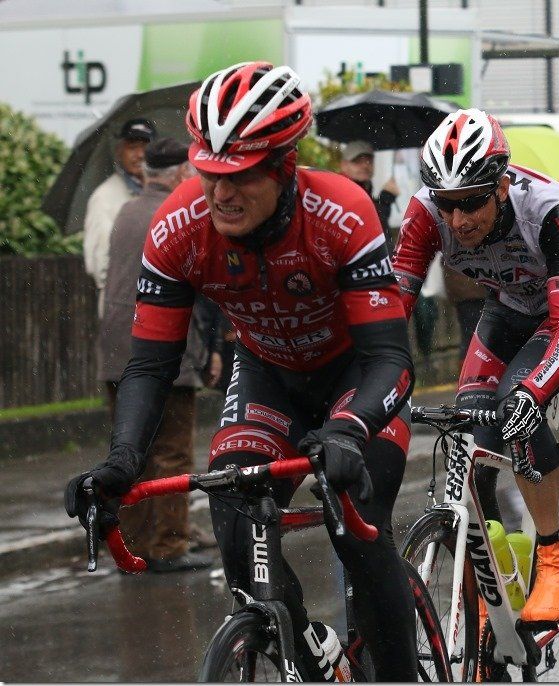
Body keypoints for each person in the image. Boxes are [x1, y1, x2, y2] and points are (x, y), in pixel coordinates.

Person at [65, 62, 418, 682]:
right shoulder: (177, 227)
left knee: (360, 535)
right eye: (209, 173)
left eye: (241, 176)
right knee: (234, 521)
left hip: (355, 379)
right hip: (268, 375)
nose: (221, 194)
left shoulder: (341, 210)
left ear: (284, 167)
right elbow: (150, 364)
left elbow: (391, 358)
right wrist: (122, 461)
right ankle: (304, 646)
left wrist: (350, 429)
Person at [393, 108, 559, 625]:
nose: (458, 220)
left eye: (472, 202)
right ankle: (494, 576)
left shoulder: (551, 211)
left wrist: (532, 394)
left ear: (501, 185)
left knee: (518, 403)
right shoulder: (425, 213)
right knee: (467, 433)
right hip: (508, 308)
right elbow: (389, 312)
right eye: (447, 204)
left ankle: (554, 559)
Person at [96, 137, 215, 573]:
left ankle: (133, 545)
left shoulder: (127, 210)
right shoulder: (175, 216)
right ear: (181, 173)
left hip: (116, 349)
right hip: (160, 349)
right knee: (172, 452)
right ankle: (168, 544)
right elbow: (189, 295)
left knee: (129, 453)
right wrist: (205, 350)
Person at [83, 118, 156, 315]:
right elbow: (99, 264)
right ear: (119, 151)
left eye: (145, 147)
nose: (139, 154)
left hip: (156, 305)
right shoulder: (104, 197)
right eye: (132, 147)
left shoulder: (163, 193)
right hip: (121, 306)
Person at [338, 139, 400, 243]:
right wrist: (386, 198)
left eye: (369, 161)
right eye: (357, 161)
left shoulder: (365, 188)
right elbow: (369, 227)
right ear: (344, 165)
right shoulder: (341, 191)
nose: (365, 165)